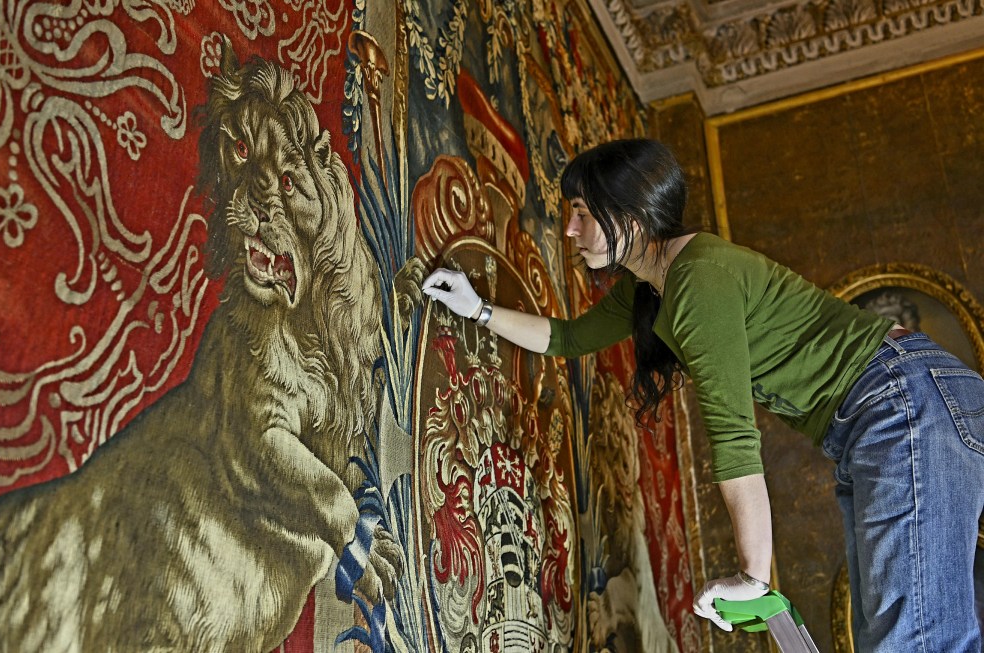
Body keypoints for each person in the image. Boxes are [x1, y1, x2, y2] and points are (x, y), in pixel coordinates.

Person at [421, 138, 984, 651]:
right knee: (897, 634)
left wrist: (754, 576)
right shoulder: (652, 290)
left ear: (632, 217)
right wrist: (478, 308)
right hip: (889, 414)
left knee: (915, 639)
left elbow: (735, 437)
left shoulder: (696, 282)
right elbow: (567, 338)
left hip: (900, 402)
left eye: (582, 213)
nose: (569, 230)